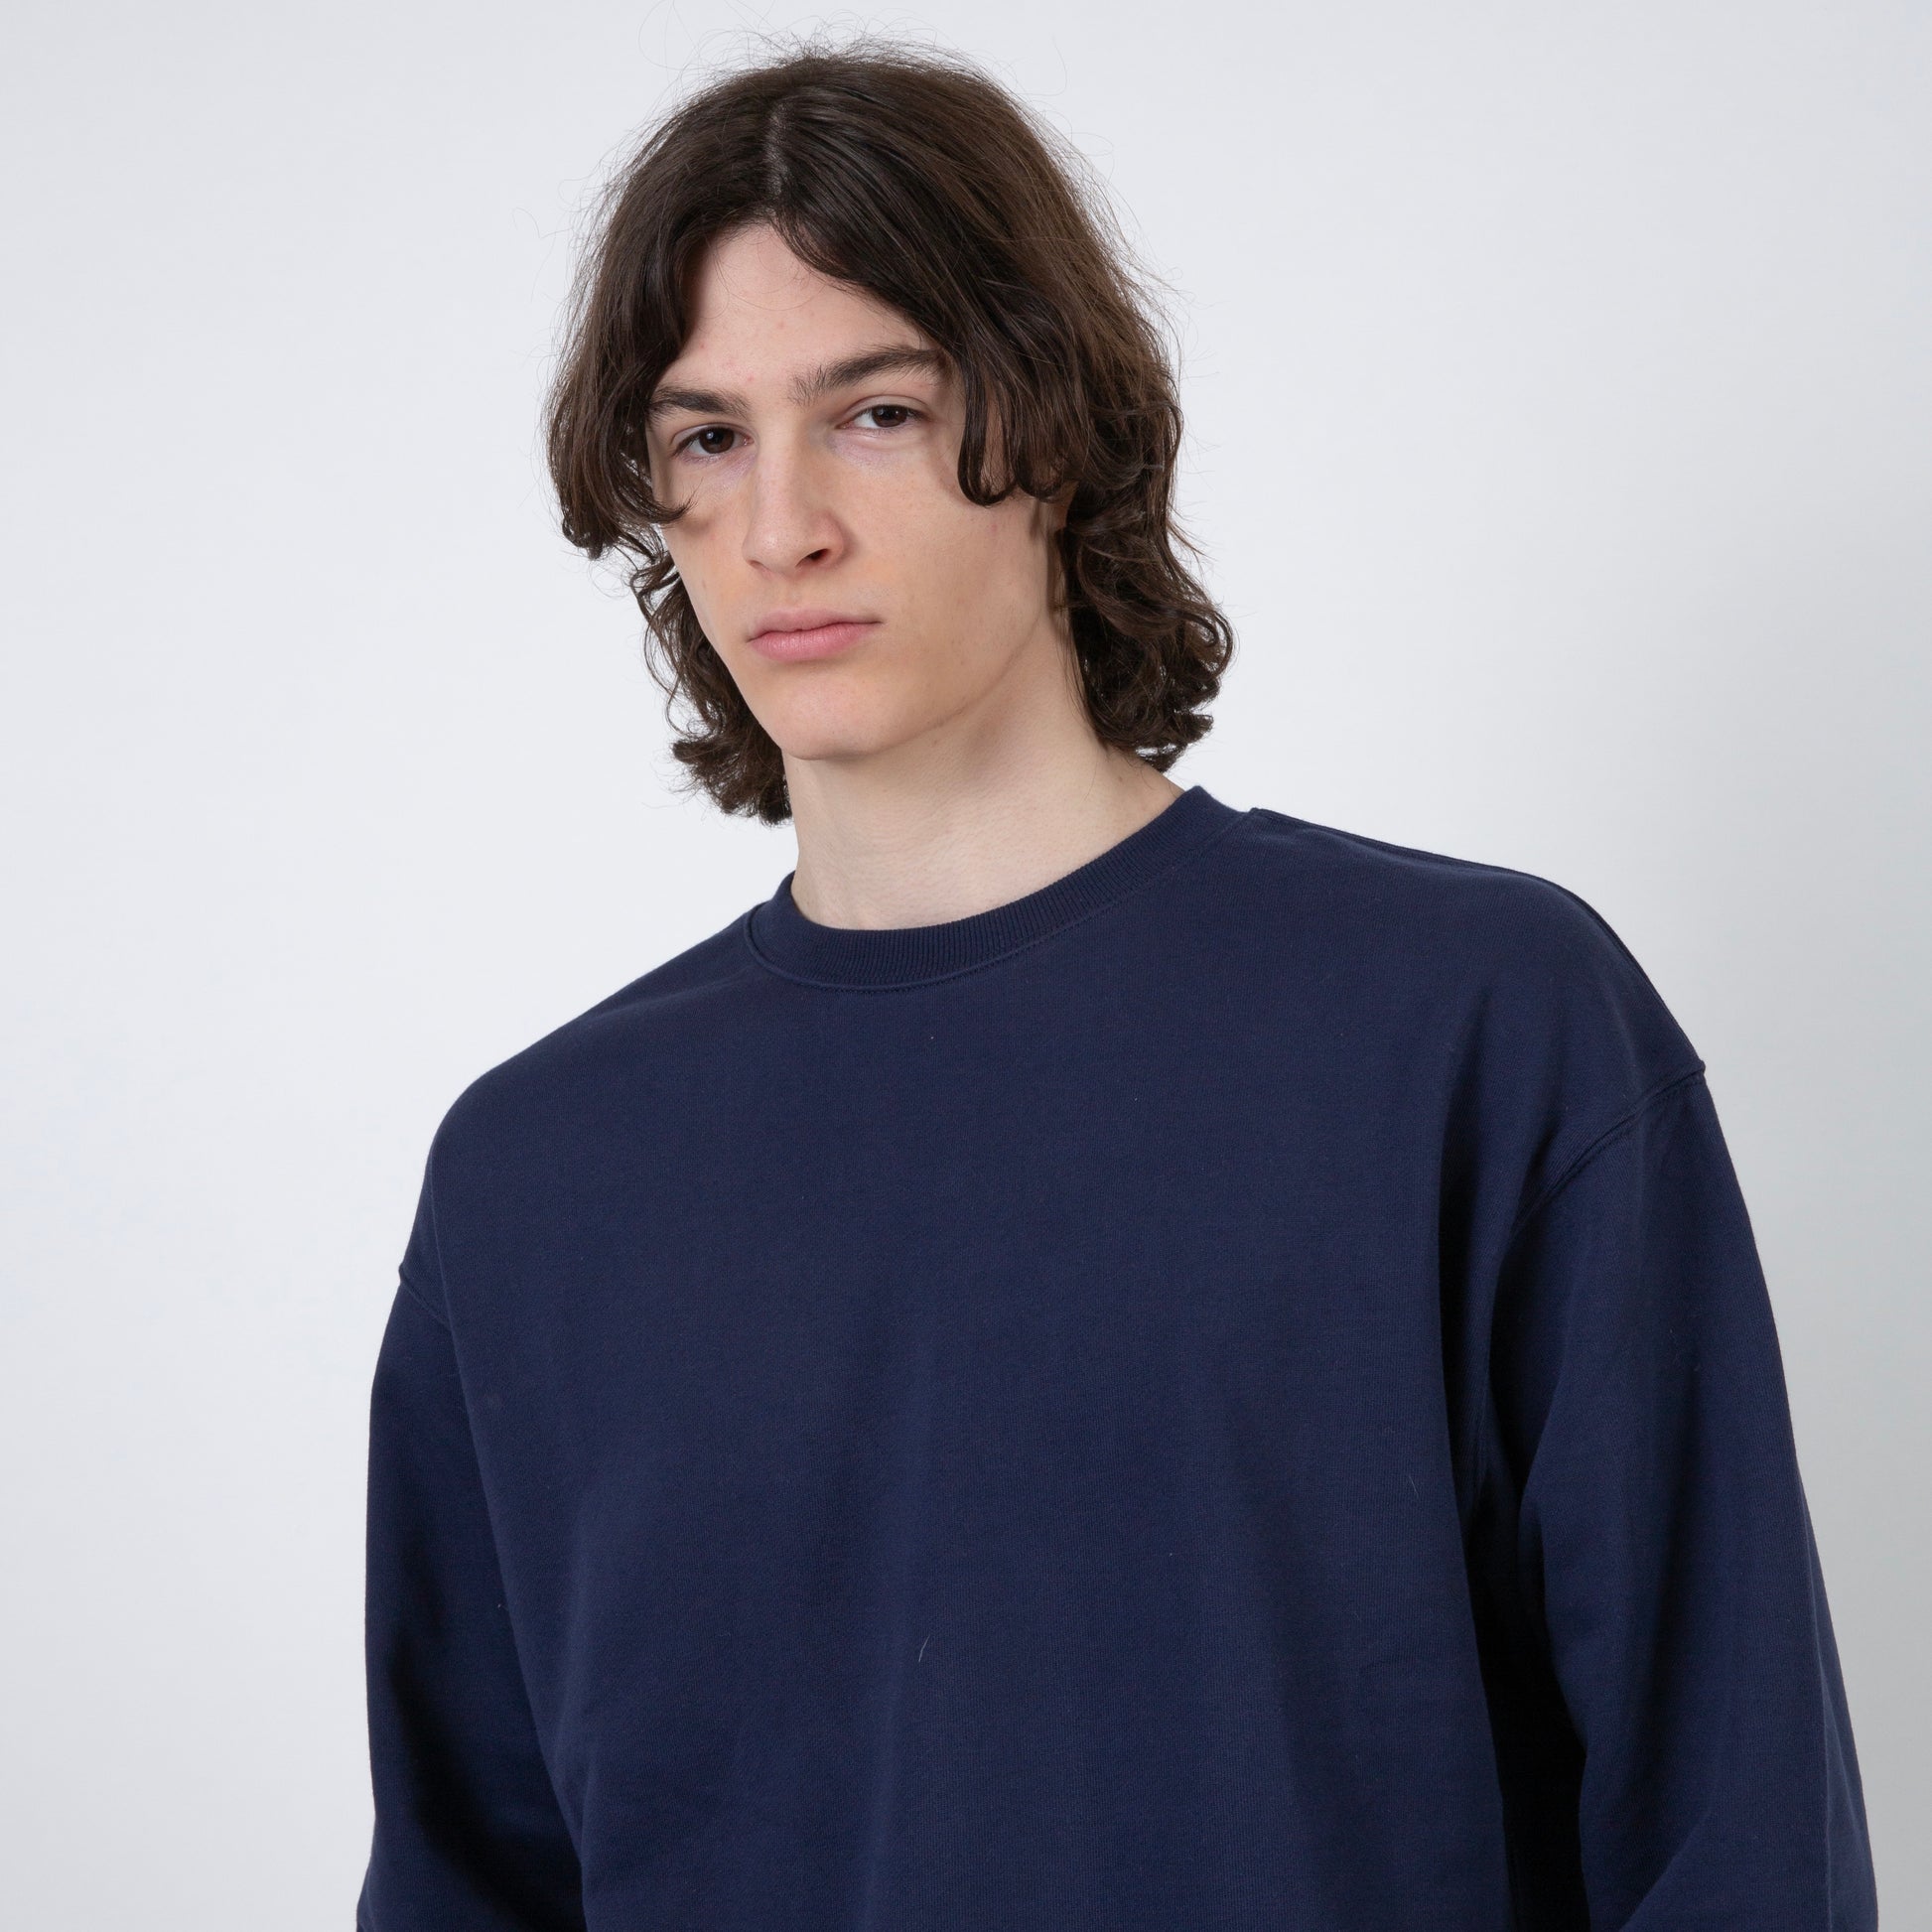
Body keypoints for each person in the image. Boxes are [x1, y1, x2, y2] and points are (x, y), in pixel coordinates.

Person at [355, 40, 1877, 1932]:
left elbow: (1732, 1833)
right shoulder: (535, 1177)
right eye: (707, 438)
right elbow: (469, 1881)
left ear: (1057, 427)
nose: (780, 526)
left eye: (877, 412)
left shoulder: (1470, 1030)